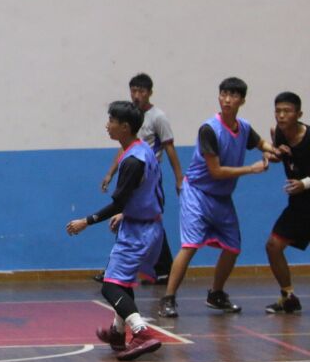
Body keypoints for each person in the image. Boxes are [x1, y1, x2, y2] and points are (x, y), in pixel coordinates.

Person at [158, 78, 278, 318]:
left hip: (221, 197)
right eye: (224, 94)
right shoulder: (209, 129)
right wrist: (251, 169)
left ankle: (216, 294)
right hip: (197, 193)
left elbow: (261, 143)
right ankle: (168, 298)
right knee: (190, 246)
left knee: (233, 247)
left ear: (242, 100)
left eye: (233, 96)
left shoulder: (243, 127)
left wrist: (275, 150)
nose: (227, 100)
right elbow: (216, 171)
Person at [67, 101, 164, 361]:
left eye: (111, 121)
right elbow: (150, 192)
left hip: (138, 233)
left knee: (110, 288)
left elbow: (119, 202)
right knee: (122, 282)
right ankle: (118, 333)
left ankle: (141, 332)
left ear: (125, 127)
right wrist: (127, 212)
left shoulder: (132, 161)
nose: (107, 125)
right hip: (148, 225)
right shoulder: (144, 150)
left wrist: (86, 221)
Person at [96, 73, 183, 285]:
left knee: (145, 218)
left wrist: (179, 177)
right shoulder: (128, 120)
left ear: (150, 92)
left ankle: (152, 269)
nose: (136, 95)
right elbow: (124, 149)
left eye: (141, 91)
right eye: (133, 90)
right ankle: (145, 268)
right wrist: (110, 172)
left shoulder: (158, 117)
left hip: (149, 175)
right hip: (133, 172)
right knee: (135, 220)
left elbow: (169, 147)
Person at [264, 92, 309, 314]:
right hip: (299, 205)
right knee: (273, 246)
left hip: (305, 192)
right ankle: (288, 297)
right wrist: (274, 155)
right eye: (278, 111)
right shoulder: (278, 133)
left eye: (287, 111)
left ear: (299, 114)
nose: (281, 115)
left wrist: (305, 184)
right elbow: (277, 156)